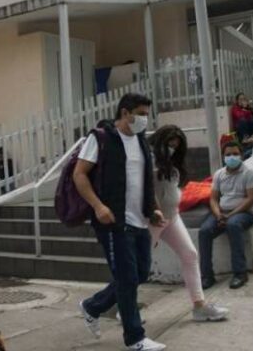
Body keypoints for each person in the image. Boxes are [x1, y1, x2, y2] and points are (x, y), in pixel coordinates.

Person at [74, 93, 168, 351]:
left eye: (147, 114)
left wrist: (154, 209)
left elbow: (145, 180)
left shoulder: (140, 140)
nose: (145, 119)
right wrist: (98, 206)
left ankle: (92, 306)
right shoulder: (101, 138)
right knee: (126, 279)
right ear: (125, 113)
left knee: (141, 273)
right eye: (141, 114)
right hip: (114, 221)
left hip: (140, 220)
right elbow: (79, 174)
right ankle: (135, 338)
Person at [148, 125, 228, 320]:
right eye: (170, 144)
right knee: (138, 265)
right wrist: (154, 210)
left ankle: (199, 305)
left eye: (176, 145)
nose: (173, 148)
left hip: (172, 217)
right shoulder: (148, 159)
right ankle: (121, 307)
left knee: (190, 255)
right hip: (153, 219)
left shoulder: (173, 164)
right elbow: (146, 189)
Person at [198, 142, 253, 290]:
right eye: (228, 154)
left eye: (235, 154)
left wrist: (230, 215)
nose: (232, 157)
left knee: (233, 225)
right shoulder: (219, 174)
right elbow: (213, 199)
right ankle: (207, 276)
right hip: (222, 212)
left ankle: (240, 273)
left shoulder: (250, 173)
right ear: (223, 156)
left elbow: (250, 199)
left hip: (244, 213)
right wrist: (219, 215)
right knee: (204, 231)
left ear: (241, 155)